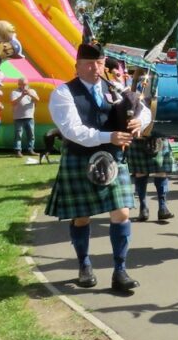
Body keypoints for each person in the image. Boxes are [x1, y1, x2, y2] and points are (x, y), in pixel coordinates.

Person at [45, 42, 150, 293]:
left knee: (121, 213)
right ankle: (84, 264)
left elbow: (142, 109)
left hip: (113, 158)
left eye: (100, 63)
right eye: (89, 64)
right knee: (82, 217)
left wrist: (139, 121)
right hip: (80, 157)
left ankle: (120, 270)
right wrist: (108, 136)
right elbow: (72, 130)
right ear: (77, 66)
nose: (96, 68)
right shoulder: (63, 93)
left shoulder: (115, 88)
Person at [112, 61, 175, 224]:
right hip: (141, 132)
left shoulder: (161, 84)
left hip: (155, 132)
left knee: (159, 171)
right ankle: (146, 207)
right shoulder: (135, 83)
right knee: (145, 172)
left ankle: (160, 207)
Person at [10, 77, 39, 157]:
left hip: (29, 116)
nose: (23, 86)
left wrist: (30, 94)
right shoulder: (14, 92)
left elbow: (37, 99)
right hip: (18, 117)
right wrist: (22, 95)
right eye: (21, 84)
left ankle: (30, 150)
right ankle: (18, 150)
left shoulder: (32, 91)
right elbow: (13, 103)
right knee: (18, 135)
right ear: (18, 84)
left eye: (25, 84)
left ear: (27, 84)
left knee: (31, 135)